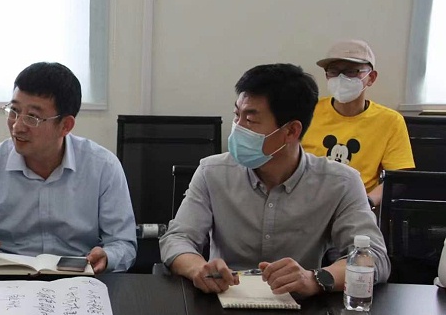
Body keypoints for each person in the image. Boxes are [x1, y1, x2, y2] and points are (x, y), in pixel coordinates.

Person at [160, 63, 389, 296]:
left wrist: (315, 279)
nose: (237, 129)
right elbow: (177, 239)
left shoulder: (341, 182)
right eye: (237, 115)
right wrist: (198, 269)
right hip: (223, 301)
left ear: (291, 131)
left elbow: (374, 258)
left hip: (302, 306)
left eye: (250, 121)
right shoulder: (212, 172)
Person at [0, 62, 137, 273]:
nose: (17, 126)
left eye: (32, 117)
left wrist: (108, 257)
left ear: (65, 125)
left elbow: (123, 244)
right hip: (7, 281)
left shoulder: (103, 167)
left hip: (78, 279)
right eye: (14, 111)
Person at [301, 39, 415, 210]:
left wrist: (366, 203)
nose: (341, 78)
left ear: (371, 77)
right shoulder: (307, 111)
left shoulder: (390, 121)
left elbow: (398, 177)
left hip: (358, 206)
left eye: (351, 71)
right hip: (307, 203)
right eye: (333, 71)